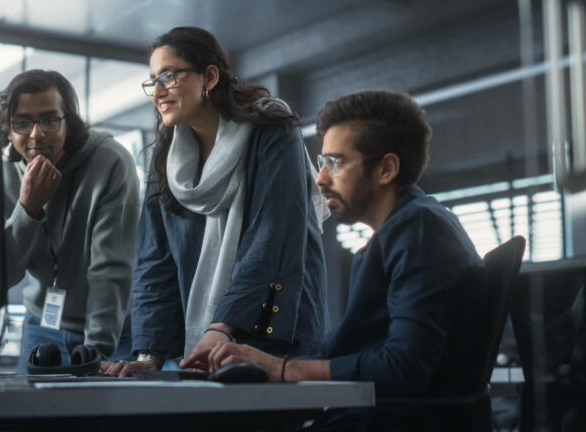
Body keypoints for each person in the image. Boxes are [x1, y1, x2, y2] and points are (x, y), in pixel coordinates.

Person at [183, 90, 488, 427]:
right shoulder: (397, 234)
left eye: (336, 162)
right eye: (321, 161)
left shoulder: (418, 228)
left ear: (386, 168)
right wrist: (260, 361)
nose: (320, 179)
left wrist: (282, 369)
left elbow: (403, 367)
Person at [105, 27, 329, 376]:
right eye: (153, 80)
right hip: (206, 342)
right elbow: (154, 261)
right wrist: (149, 355)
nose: (158, 91)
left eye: (169, 75)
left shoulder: (271, 131)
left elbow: (269, 240)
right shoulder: (164, 157)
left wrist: (222, 327)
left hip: (271, 328)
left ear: (209, 76)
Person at [0, 69, 140, 372]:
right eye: (21, 122)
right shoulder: (4, 172)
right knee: (26, 419)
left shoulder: (111, 162)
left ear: (69, 124)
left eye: (49, 120)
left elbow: (109, 267)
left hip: (112, 330)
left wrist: (96, 351)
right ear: (8, 130)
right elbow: (3, 274)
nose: (36, 134)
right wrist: (28, 207)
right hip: (40, 323)